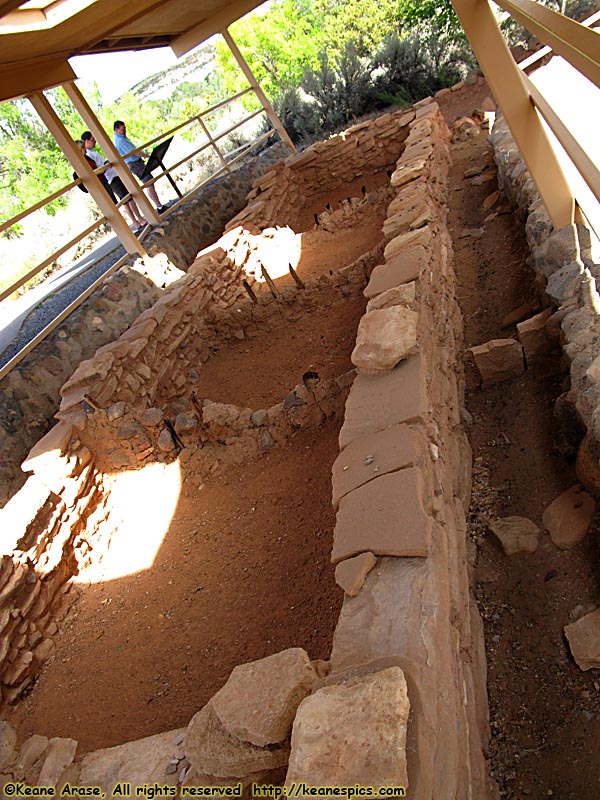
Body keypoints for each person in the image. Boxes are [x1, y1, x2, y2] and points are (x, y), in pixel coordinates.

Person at [80, 131, 147, 233]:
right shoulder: (89, 155)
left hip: (112, 175)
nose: (95, 142)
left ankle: (137, 220)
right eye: (93, 140)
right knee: (127, 199)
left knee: (126, 199)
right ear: (87, 141)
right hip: (110, 178)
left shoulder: (92, 153)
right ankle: (138, 220)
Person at [113, 120, 167, 213]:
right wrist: (148, 156)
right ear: (116, 130)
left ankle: (159, 206)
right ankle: (159, 206)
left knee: (149, 182)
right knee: (149, 182)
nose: (125, 131)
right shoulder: (121, 140)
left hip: (135, 163)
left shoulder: (120, 138)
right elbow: (135, 152)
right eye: (122, 129)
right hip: (134, 163)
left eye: (125, 128)